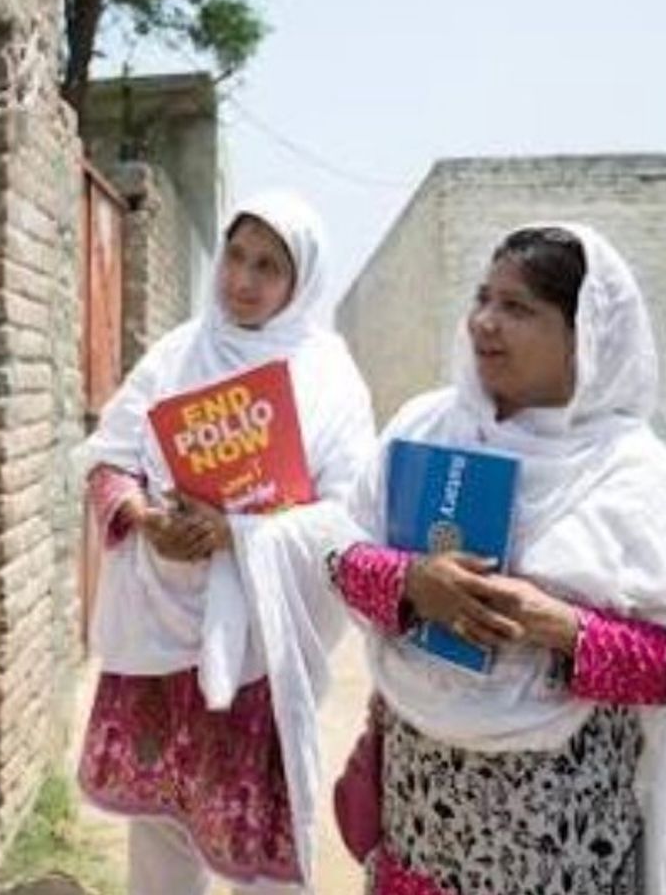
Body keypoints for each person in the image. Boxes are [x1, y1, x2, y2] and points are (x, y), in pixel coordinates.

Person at [330, 223, 666, 894]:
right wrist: (413, 584)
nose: (484, 322)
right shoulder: (427, 427)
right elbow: (336, 557)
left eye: (518, 308)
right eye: (482, 299)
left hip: (561, 837)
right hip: (421, 809)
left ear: (584, 336)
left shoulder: (633, 474)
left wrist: (564, 628)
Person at [77, 190, 375, 893]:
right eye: (236, 256)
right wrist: (147, 521)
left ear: (300, 283)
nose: (242, 279)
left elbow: (349, 517)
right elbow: (107, 459)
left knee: (254, 837)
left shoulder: (329, 379)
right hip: (160, 631)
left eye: (268, 266)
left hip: (257, 647)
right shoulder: (179, 352)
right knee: (159, 833)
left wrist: (236, 535)